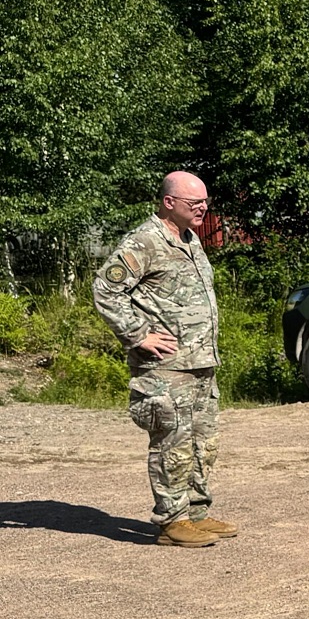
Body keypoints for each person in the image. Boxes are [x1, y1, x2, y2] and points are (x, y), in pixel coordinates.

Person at [93, 172, 231, 548]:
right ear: (169, 203)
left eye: (205, 202)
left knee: (203, 443)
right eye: (194, 203)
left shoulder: (189, 239)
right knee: (173, 443)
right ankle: (172, 521)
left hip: (199, 361)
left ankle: (196, 513)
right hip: (166, 367)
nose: (203, 208)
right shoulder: (145, 241)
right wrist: (139, 335)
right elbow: (106, 290)